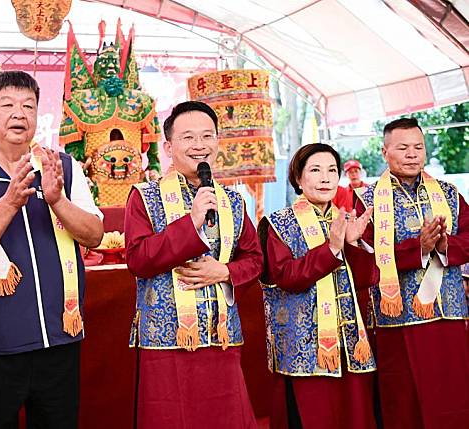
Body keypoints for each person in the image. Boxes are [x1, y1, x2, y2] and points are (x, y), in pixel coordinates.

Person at [0, 70, 103, 429]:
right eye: (8, 105)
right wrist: (9, 202)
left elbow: (94, 235)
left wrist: (58, 200)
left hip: (58, 339)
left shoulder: (63, 169)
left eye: (28, 106)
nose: (19, 114)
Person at [124, 101, 263, 429]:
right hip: (166, 337)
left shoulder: (232, 200)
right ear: (169, 147)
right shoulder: (144, 196)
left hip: (221, 334)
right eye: (188, 137)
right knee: (171, 417)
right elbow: (138, 259)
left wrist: (226, 272)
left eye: (207, 136)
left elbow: (255, 259)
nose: (199, 145)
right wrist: (192, 221)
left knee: (226, 417)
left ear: (218, 143)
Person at [355, 117, 469, 429]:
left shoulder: (447, 193)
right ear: (384, 151)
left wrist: (445, 245)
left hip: (449, 313)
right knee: (405, 403)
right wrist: (417, 247)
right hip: (399, 318)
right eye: (403, 148)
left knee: (454, 397)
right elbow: (364, 257)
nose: (412, 154)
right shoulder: (366, 200)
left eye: (418, 147)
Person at [258, 143, 379, 429]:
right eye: (315, 170)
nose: (325, 178)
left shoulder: (343, 219)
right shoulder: (278, 224)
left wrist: (353, 243)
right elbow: (287, 277)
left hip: (347, 342)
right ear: (298, 178)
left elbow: (365, 280)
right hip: (303, 347)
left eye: (331, 170)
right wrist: (332, 249)